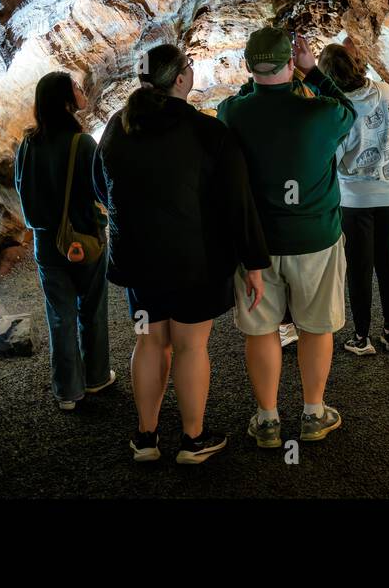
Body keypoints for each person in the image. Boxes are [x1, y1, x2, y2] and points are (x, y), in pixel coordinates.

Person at [95, 44, 270, 464]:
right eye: (189, 67)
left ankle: (146, 437)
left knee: (150, 341)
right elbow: (237, 203)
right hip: (197, 261)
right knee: (191, 346)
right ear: (179, 79)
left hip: (138, 262)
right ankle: (193, 440)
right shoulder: (209, 134)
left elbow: (101, 189)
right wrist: (254, 263)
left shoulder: (118, 129)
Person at [218, 28, 355, 448]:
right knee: (315, 327)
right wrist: (312, 72)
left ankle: (267, 420)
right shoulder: (320, 113)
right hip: (315, 237)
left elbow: (244, 97)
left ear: (248, 65)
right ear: (289, 65)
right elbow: (348, 109)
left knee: (261, 330)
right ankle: (313, 413)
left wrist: (255, 81)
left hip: (257, 244)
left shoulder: (232, 114)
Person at [14, 71, 113, 411]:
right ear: (65, 100)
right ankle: (97, 377)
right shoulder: (82, 144)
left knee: (60, 315)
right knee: (92, 308)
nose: (80, 89)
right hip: (85, 239)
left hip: (46, 242)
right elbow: (102, 189)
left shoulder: (27, 145)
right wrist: (100, 220)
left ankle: (68, 391)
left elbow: (22, 189)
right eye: (73, 86)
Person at [318, 43, 389, 355]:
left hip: (354, 198)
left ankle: (361, 337)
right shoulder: (385, 91)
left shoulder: (337, 108)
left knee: (359, 267)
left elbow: (334, 155)